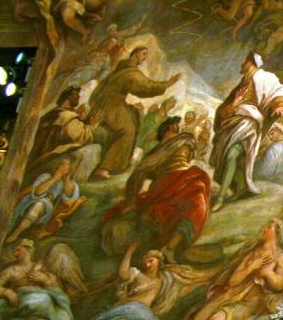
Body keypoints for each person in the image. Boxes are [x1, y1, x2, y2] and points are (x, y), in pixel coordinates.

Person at [101, 116, 209, 258]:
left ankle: (171, 247)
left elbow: (196, 147)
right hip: (163, 188)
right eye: (177, 125)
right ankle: (158, 245)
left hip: (184, 180)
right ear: (172, 127)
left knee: (196, 198)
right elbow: (136, 178)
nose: (179, 127)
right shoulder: (155, 154)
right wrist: (130, 205)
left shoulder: (183, 140)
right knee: (192, 200)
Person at [88, 46, 182, 180]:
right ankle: (105, 167)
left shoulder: (121, 68)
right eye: (143, 54)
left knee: (133, 114)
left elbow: (100, 88)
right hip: (111, 105)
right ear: (135, 54)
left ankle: (117, 162)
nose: (144, 58)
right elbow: (146, 87)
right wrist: (168, 83)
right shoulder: (130, 72)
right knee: (128, 129)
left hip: (104, 103)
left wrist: (94, 104)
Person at [209, 51, 283, 210]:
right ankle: (241, 188)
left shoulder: (264, 77)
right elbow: (223, 111)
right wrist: (234, 104)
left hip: (250, 121)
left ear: (252, 62)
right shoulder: (241, 84)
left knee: (232, 154)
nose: (241, 64)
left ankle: (220, 198)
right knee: (232, 157)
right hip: (233, 122)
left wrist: (278, 105)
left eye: (244, 61)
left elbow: (277, 91)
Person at [5, 157, 86, 244]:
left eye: (65, 167)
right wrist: (55, 177)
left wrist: (66, 178)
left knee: (40, 204)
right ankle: (14, 232)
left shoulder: (69, 184)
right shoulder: (46, 176)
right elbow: (37, 192)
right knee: (39, 203)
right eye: (61, 165)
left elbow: (70, 200)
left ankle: (17, 232)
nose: (61, 169)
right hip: (30, 201)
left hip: (46, 209)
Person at [26, 86, 100, 180]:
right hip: (50, 159)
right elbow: (80, 137)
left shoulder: (53, 113)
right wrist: (92, 126)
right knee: (95, 148)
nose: (78, 97)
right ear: (68, 97)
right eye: (76, 95)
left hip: (41, 158)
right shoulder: (66, 116)